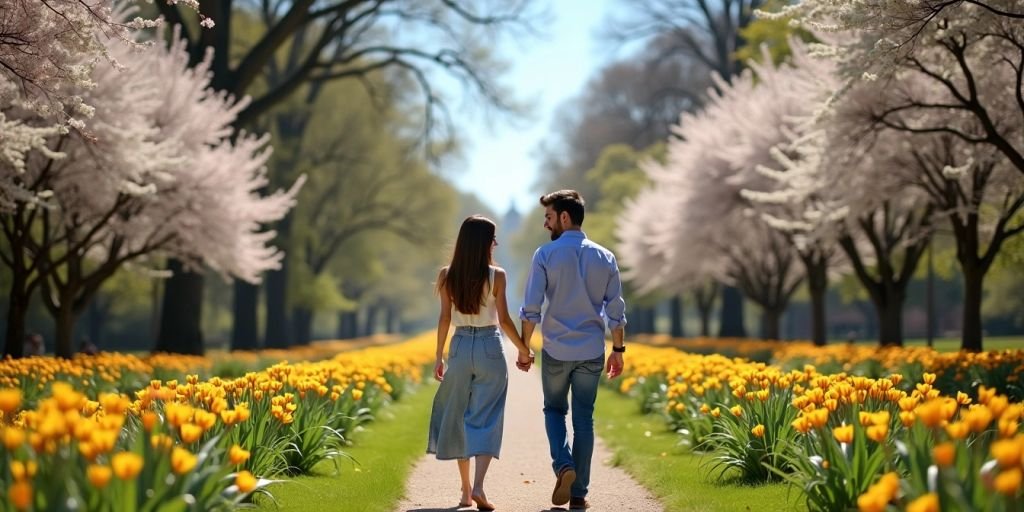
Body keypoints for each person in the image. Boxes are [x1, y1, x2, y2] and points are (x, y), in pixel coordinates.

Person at [519, 189, 626, 510]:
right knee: (584, 419)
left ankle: (563, 465)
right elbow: (616, 310)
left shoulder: (545, 255)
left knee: (554, 410)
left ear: (565, 217)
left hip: (556, 349)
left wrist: (525, 347)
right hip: (591, 350)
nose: (546, 225)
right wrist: (618, 349)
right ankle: (578, 492)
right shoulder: (606, 257)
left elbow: (531, 308)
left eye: (549, 217)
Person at [427, 215, 534, 511]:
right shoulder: (496, 275)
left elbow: (445, 318)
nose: (496, 243)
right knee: (487, 415)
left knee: (460, 414)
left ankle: (464, 492)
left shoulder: (447, 276)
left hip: (460, 346)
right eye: (493, 238)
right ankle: (479, 486)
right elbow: (504, 320)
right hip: (489, 346)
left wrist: (439, 355)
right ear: (485, 242)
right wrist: (525, 350)